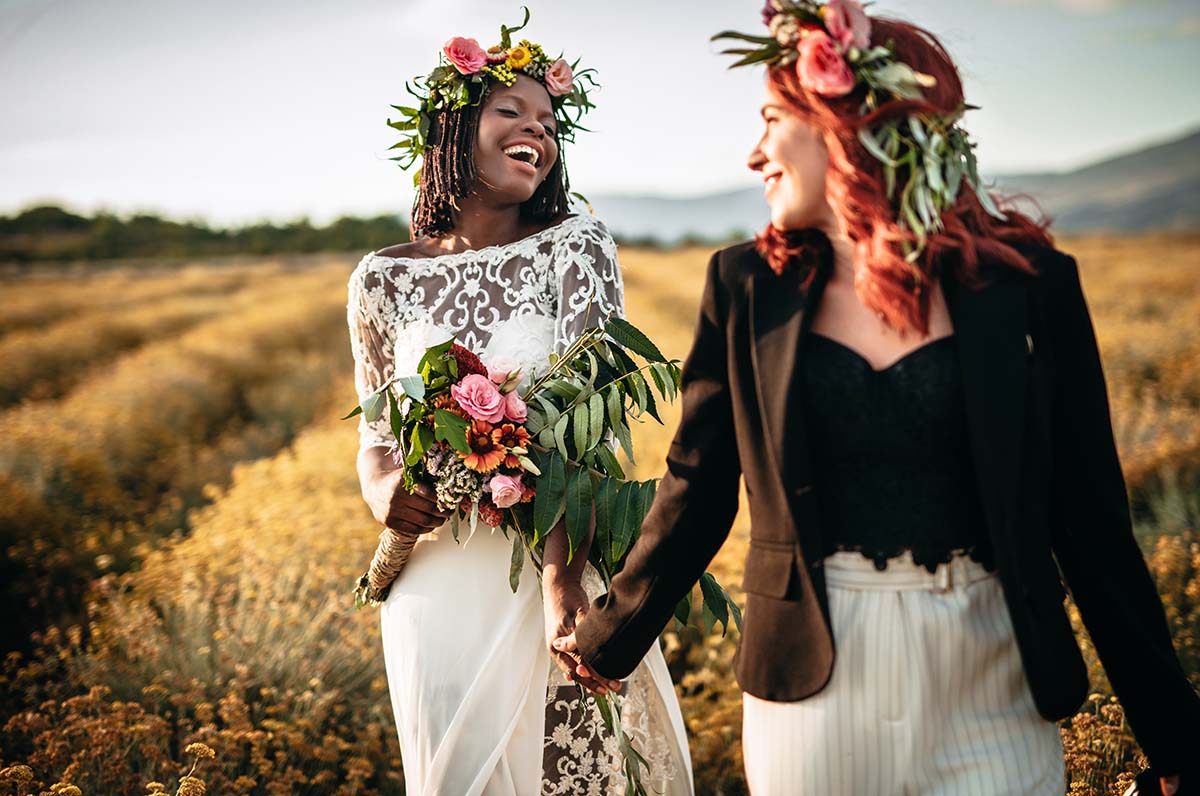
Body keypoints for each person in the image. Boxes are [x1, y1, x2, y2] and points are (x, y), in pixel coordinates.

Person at [553, 2, 1200, 794]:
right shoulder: (744, 287)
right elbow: (697, 487)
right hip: (812, 680)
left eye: (770, 119)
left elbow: (1094, 523)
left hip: (995, 669)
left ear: (846, 120)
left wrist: (1175, 742)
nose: (754, 153)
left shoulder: (1029, 287)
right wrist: (604, 637)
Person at [345, 14, 693, 796]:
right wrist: (383, 496)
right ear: (452, 127)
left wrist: (562, 583)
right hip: (433, 585)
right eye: (512, 111)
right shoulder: (380, 278)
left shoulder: (576, 244)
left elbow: (592, 429)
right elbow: (374, 436)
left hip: (552, 569)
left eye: (548, 122)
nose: (536, 130)